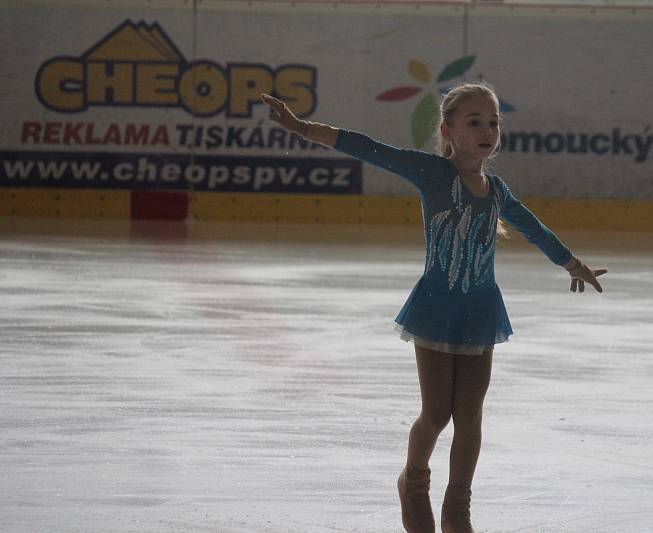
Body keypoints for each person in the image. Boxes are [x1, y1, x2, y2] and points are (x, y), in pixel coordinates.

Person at [260, 83, 606, 533]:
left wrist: (572, 264)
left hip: (481, 313)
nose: (487, 130)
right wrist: (302, 127)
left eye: (493, 122)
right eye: (474, 122)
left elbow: (534, 229)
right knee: (437, 413)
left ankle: (458, 506)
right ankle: (414, 480)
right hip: (434, 310)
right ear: (448, 129)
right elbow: (367, 147)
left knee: (470, 416)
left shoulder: (497, 190)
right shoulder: (430, 173)